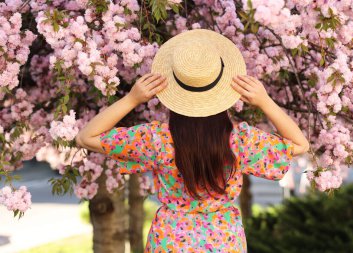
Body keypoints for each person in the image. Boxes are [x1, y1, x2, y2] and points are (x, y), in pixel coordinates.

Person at [75, 29, 310, 253]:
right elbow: (300, 145)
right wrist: (265, 101)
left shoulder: (156, 140)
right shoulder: (240, 140)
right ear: (222, 88)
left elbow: (86, 137)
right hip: (224, 241)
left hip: (170, 241)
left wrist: (132, 99)